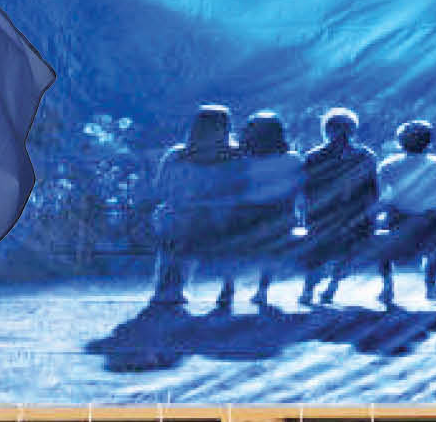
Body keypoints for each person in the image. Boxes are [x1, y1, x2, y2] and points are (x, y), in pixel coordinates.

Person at [152, 105, 239, 305]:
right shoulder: (235, 155)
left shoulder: (177, 155)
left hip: (199, 215)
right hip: (209, 216)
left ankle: (169, 286)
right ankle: (224, 286)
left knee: (180, 224)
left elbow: (161, 187)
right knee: (185, 222)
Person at [300, 109, 378, 304]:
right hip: (348, 215)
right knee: (345, 245)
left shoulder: (314, 156)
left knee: (320, 246)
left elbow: (308, 191)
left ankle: (312, 288)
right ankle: (327, 286)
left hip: (331, 216)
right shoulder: (364, 155)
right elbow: (372, 191)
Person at [228, 112, 302, 308]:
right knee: (271, 250)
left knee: (236, 248)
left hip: (249, 210)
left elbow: (235, 187)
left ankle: (229, 286)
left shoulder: (241, 158)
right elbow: (295, 189)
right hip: (278, 211)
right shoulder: (292, 159)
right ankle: (262, 290)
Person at [376, 121, 436, 305]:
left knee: (383, 248)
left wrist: (384, 215)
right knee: (432, 250)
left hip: (400, 218)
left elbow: (383, 197)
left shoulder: (388, 165)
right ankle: (431, 285)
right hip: (429, 218)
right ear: (429, 142)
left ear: (400, 142)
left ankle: (387, 286)